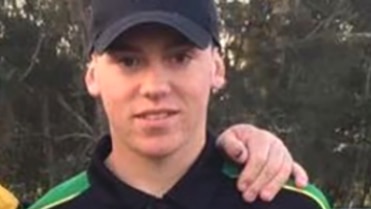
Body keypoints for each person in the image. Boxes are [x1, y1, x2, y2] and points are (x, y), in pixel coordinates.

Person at [28, 0, 330, 208]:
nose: (155, 87)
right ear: (92, 76)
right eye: (129, 61)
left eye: (179, 58)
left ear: (217, 68)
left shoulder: (293, 203)